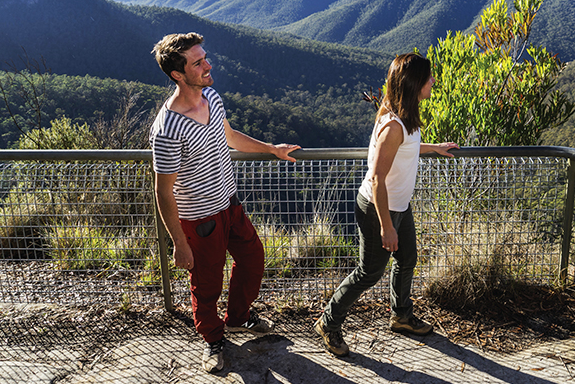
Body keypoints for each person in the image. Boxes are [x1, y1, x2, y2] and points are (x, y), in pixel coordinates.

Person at [149, 32, 301, 373]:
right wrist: (179, 244)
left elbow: (230, 136)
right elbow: (162, 190)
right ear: (177, 74)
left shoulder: (212, 97)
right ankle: (213, 340)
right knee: (206, 284)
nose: (208, 65)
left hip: (229, 205)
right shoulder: (168, 128)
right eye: (198, 63)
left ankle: (238, 317)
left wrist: (272, 149)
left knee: (253, 258)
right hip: (198, 220)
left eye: (205, 58)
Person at [314, 52, 458, 357]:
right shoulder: (392, 125)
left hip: (399, 206)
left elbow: (407, 148)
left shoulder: (403, 115)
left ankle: (401, 316)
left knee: (407, 259)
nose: (433, 81)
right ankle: (329, 322)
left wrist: (436, 148)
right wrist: (386, 226)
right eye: (428, 77)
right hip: (379, 209)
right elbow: (377, 178)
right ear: (414, 83)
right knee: (369, 272)